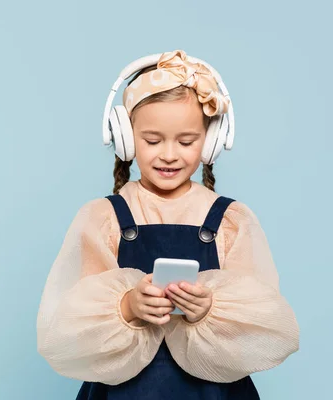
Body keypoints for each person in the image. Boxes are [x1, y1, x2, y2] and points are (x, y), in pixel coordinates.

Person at [36, 49, 300, 399]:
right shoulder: (103, 218)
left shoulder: (231, 221)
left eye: (186, 141)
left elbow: (261, 322)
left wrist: (209, 310)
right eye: (152, 140)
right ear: (127, 138)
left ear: (210, 141)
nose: (170, 154)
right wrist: (128, 306)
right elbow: (68, 325)